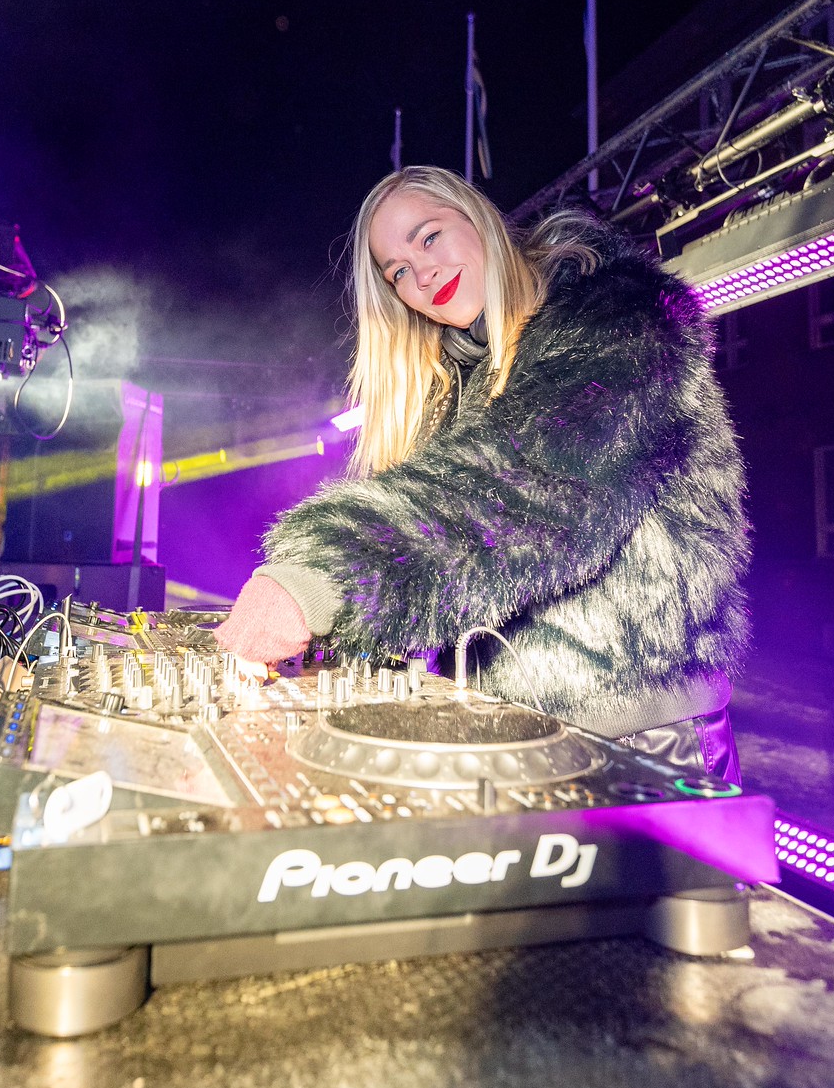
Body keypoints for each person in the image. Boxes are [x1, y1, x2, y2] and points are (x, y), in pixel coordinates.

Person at [215, 166, 751, 779]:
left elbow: (530, 488)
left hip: (644, 735)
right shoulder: (457, 382)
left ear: (480, 220)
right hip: (516, 728)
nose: (421, 274)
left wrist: (319, 579)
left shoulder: (618, 317)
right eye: (397, 272)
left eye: (429, 237)